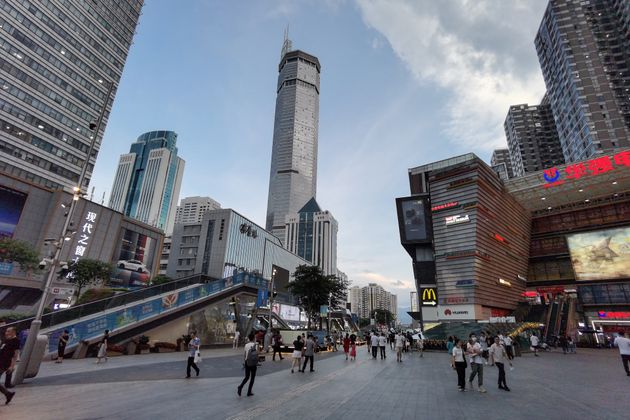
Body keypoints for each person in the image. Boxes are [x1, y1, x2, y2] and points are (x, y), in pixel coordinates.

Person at [0, 327, 18, 404]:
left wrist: (12, 366)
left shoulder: (15, 341)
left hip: (4, 363)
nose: (6, 332)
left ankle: (8, 394)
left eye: (8, 331)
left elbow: (15, 354)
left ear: (13, 332)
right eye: (6, 331)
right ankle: (8, 394)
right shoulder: (6, 340)